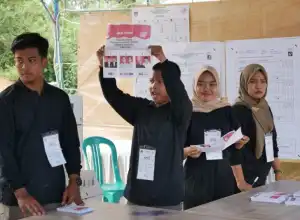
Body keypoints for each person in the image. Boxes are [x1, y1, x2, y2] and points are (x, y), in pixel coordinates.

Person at [97, 45, 192, 210]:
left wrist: (163, 60)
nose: (154, 86)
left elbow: (180, 95)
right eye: (152, 81)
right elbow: (113, 95)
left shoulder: (180, 113)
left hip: (168, 197)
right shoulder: (141, 109)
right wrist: (105, 66)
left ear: (171, 83)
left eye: (160, 82)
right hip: (138, 194)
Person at [0, 33, 83, 220]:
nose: (24, 67)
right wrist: (20, 193)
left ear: (44, 61)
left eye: (31, 60)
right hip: (20, 200)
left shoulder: (59, 98)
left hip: (56, 194)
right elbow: (3, 153)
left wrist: (73, 180)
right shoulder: (6, 101)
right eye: (18, 61)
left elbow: (70, 142)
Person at [183, 66, 250, 210]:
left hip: (223, 176)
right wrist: (187, 151)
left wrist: (239, 144)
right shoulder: (187, 111)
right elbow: (176, 149)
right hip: (196, 178)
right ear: (194, 85)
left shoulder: (226, 110)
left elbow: (234, 147)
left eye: (212, 84)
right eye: (200, 83)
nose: (206, 88)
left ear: (218, 86)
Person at [232, 64, 281, 189]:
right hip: (245, 179)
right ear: (244, 84)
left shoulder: (264, 107)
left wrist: (278, 172)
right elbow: (233, 150)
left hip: (262, 174)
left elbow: (272, 138)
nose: (258, 86)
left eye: (263, 81)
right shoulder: (238, 110)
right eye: (252, 81)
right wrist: (240, 181)